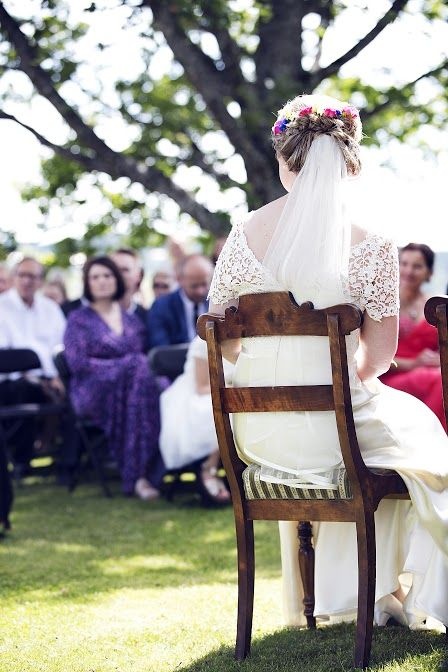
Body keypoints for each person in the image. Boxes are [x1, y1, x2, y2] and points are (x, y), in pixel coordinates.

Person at [207, 94, 448, 630]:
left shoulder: (243, 234)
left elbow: (220, 337)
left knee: (389, 438)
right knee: (426, 440)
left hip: (260, 437)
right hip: (335, 435)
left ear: (283, 156)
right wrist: (336, 393)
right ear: (348, 162)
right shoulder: (373, 243)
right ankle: (380, 591)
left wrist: (274, 384)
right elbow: (379, 357)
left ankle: (363, 594)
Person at [63, 256, 164, 499]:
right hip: (92, 388)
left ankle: (164, 467)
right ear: (87, 283)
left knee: (164, 388)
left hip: (133, 387)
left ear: (116, 280)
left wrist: (130, 369)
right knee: (140, 376)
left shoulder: (131, 319)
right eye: (95, 277)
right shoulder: (78, 319)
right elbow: (78, 364)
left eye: (107, 275)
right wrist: (124, 367)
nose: (102, 281)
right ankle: (138, 475)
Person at [0, 257, 68, 474]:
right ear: (14, 278)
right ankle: (22, 459)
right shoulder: (2, 307)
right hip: (12, 381)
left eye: (32, 276)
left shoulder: (50, 309)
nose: (26, 281)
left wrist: (53, 375)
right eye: (22, 275)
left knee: (67, 393)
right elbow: (9, 354)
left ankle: (66, 460)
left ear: (41, 281)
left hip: (49, 378)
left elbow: (61, 347)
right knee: (24, 389)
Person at [159, 335, 231, 504]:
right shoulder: (203, 343)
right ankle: (210, 467)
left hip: (229, 393)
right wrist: (230, 388)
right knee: (224, 413)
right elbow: (201, 387)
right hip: (199, 395)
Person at [380, 243, 445, 428]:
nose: (408, 271)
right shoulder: (384, 304)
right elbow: (370, 357)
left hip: (429, 373)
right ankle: (434, 434)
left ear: (429, 272)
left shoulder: (434, 305)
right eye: (404, 263)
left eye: (417, 266)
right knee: (441, 380)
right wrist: (414, 363)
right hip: (391, 376)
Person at [147, 254, 214, 348]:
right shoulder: (161, 307)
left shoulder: (215, 304)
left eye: (204, 284)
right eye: (194, 286)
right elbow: (161, 349)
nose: (200, 291)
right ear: (179, 280)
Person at [110, 248, 147, 324]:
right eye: (114, 269)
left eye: (125, 270)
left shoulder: (148, 319)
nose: (118, 274)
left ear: (138, 276)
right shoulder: (90, 316)